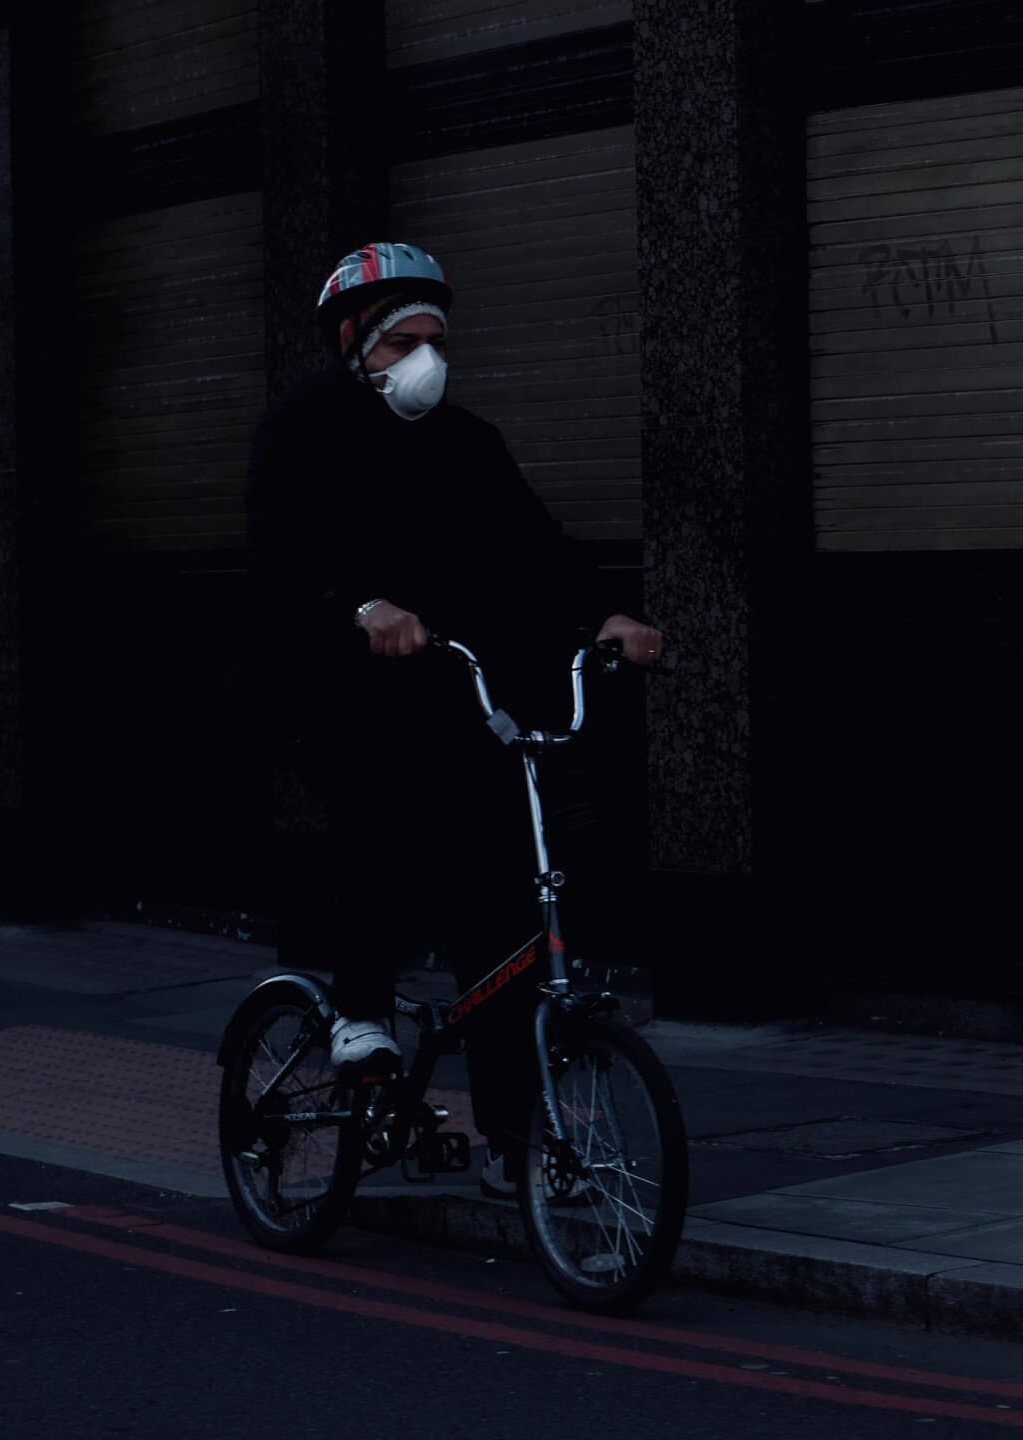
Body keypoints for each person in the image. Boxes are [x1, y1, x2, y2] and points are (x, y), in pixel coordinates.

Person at [246, 241, 660, 1197]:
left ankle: (520, 1143)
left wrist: (607, 614)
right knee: (380, 804)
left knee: (504, 911)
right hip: (326, 687)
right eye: (404, 343)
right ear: (353, 342)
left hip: (455, 692)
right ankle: (357, 1007)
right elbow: (279, 558)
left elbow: (538, 547)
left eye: (438, 340)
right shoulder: (302, 429)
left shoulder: (468, 443)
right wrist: (356, 608)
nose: (427, 359)